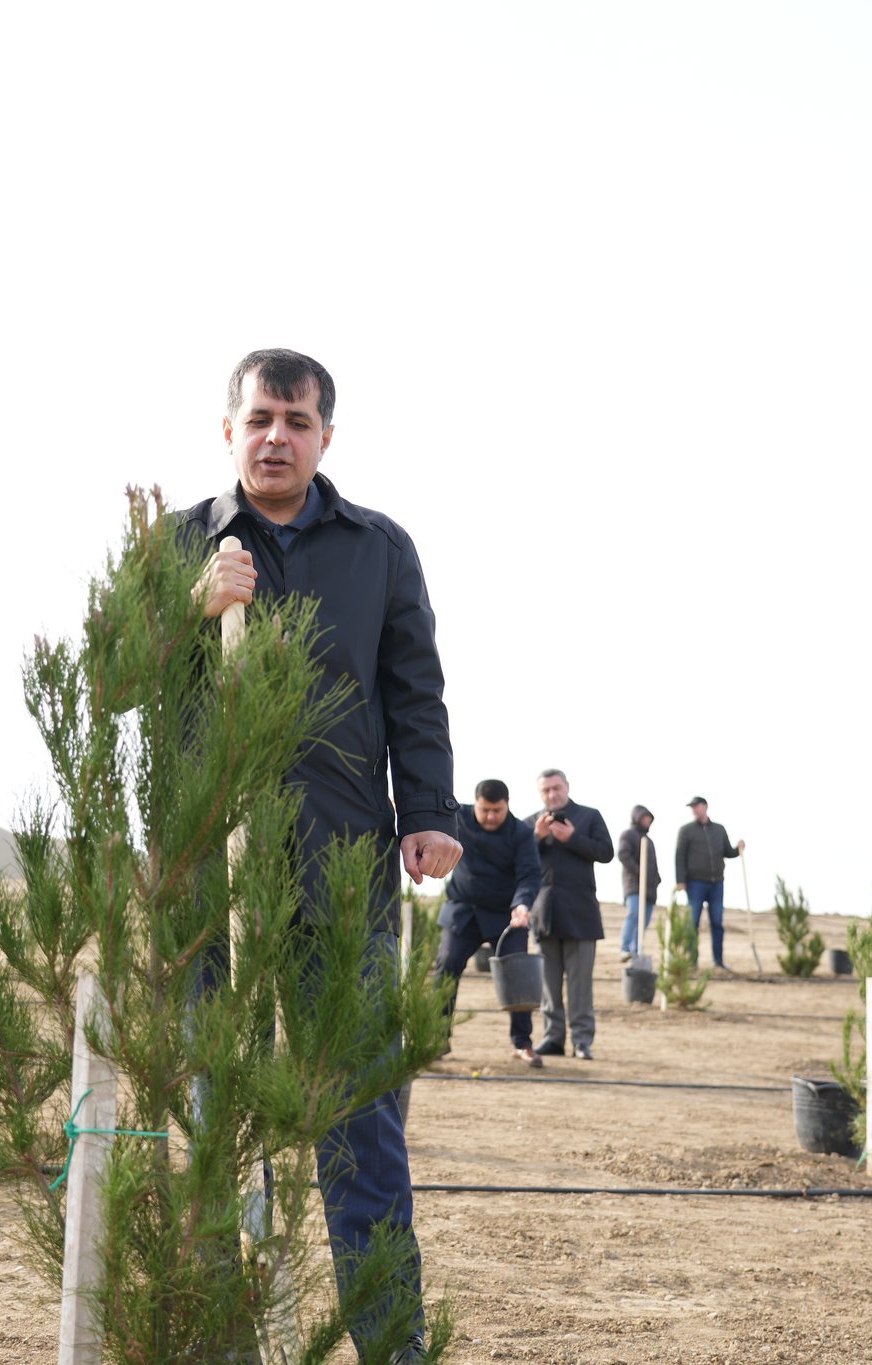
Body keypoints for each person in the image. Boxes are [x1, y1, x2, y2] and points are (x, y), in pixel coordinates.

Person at [181, 347, 462, 1364]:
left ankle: (389, 1345)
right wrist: (189, 611)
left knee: (360, 1130)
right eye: (258, 419)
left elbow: (412, 693)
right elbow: (115, 686)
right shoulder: (180, 542)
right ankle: (229, 1343)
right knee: (221, 1129)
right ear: (228, 429)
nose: (275, 438)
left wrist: (428, 811)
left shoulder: (378, 550)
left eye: (296, 422)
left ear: (324, 438)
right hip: (208, 891)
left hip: (341, 882)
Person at [436, 780, 542, 1066]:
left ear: (507, 804)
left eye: (497, 810)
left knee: (520, 975)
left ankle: (523, 1043)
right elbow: (428, 808)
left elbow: (530, 875)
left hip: (506, 916)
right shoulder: (458, 816)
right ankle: (434, 1040)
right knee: (446, 967)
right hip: (463, 912)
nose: (491, 816)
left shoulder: (521, 833)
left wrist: (522, 905)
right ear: (476, 804)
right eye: (485, 810)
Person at [528, 769, 612, 1060]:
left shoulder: (590, 816)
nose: (552, 794)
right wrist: (536, 838)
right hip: (544, 912)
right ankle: (552, 1038)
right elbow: (518, 859)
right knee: (548, 985)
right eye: (546, 790)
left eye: (556, 788)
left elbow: (606, 852)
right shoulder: (532, 823)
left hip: (581, 912)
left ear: (567, 787)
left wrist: (573, 838)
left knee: (580, 984)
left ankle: (581, 1041)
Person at [674, 796, 744, 970]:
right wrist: (680, 880)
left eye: (696, 806)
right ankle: (692, 961)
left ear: (705, 807)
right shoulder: (686, 830)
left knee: (717, 923)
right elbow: (679, 856)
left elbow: (728, 852)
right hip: (695, 883)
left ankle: (718, 961)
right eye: (692, 808)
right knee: (693, 922)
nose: (694, 810)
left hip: (717, 884)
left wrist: (738, 849)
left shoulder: (719, 830)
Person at [614, 805, 661, 963]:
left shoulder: (649, 841)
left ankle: (636, 950)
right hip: (634, 885)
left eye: (650, 819)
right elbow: (623, 854)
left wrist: (657, 879)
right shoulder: (628, 835)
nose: (648, 821)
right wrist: (638, 871)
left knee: (644, 921)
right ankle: (625, 948)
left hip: (649, 889)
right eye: (645, 818)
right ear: (638, 818)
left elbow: (653, 865)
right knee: (634, 914)